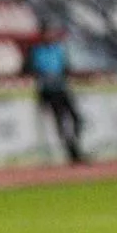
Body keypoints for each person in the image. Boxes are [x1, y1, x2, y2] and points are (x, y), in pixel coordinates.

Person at [25, 22, 86, 165]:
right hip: (49, 92)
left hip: (62, 89)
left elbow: (66, 67)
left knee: (77, 119)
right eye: (48, 33)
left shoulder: (59, 49)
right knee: (61, 121)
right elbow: (28, 69)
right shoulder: (36, 51)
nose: (51, 35)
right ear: (43, 35)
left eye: (52, 33)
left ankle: (74, 147)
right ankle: (72, 152)